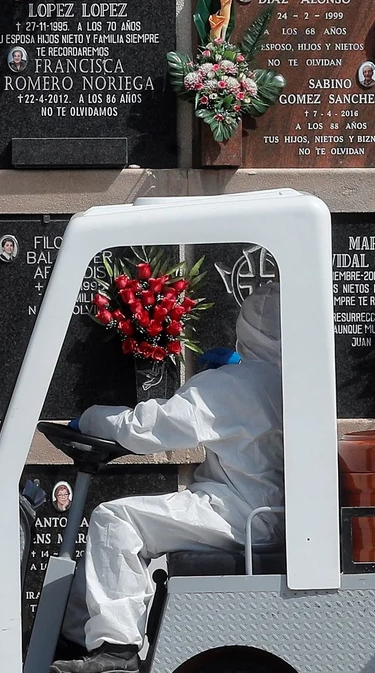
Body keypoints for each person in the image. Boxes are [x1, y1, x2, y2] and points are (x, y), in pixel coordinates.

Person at [53, 284, 287, 673]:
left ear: (248, 330)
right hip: (266, 514)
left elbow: (148, 429)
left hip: (236, 513)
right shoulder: (288, 383)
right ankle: (77, 637)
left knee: (115, 519)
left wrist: (90, 418)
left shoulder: (232, 386)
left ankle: (116, 649)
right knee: (120, 527)